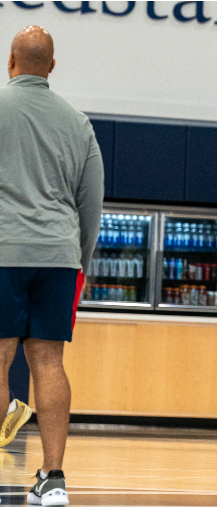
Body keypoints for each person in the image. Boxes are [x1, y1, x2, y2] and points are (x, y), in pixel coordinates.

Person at [0, 26, 104, 506]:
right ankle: (53, 478)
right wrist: (77, 262)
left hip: (4, 251)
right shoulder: (78, 122)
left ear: (10, 62)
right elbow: (91, 204)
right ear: (53, 68)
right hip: (59, 257)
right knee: (48, 361)